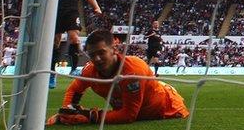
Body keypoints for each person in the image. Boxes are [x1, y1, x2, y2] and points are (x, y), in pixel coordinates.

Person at [46, 30, 189, 125]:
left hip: (168, 108)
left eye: (102, 53)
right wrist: (67, 113)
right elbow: (74, 90)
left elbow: (128, 115)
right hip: (141, 108)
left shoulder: (132, 72)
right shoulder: (90, 70)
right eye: (92, 54)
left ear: (114, 49)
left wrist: (91, 116)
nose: (97, 58)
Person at [50, 0, 102, 89]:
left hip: (72, 12)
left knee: (75, 39)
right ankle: (51, 73)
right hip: (57, 12)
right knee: (56, 41)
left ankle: (73, 69)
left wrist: (96, 7)